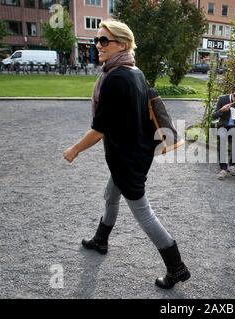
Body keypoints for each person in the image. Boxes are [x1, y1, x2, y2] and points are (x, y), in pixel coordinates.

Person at [63, 20, 190, 289]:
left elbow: (99, 130)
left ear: (122, 44)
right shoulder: (134, 72)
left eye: (104, 41)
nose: (98, 45)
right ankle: (101, 239)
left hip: (128, 160)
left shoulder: (117, 78)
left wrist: (74, 149)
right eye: (96, 40)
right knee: (110, 195)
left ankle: (176, 267)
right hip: (133, 154)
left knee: (144, 214)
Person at [212, 84, 235, 180]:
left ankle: (232, 165)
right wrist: (222, 110)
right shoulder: (222, 99)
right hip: (223, 126)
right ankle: (223, 168)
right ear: (231, 93)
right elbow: (214, 116)